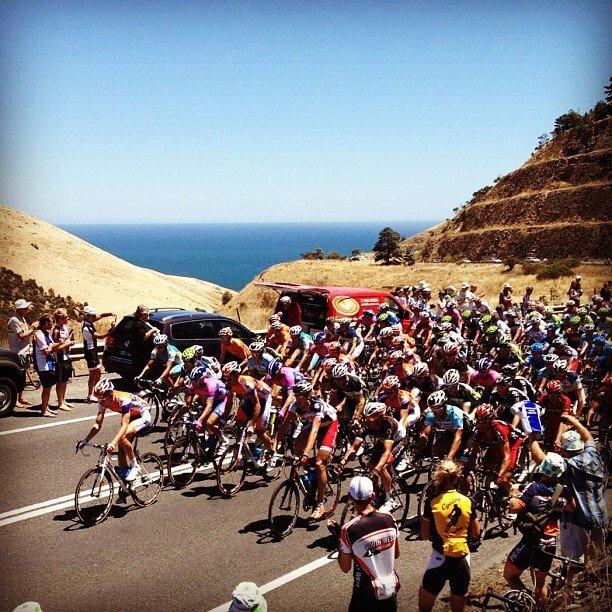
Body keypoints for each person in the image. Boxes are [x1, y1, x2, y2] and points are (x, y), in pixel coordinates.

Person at [504, 453, 574, 607]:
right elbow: (571, 507)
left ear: (542, 469)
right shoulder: (564, 490)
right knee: (540, 582)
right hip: (551, 541)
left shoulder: (534, 487)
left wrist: (513, 494)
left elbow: (516, 508)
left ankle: (526, 604)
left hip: (532, 541)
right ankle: (540, 607)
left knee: (509, 574)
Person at [419, 460, 480, 612]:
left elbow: (425, 535)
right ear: (457, 478)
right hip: (462, 558)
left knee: (424, 608)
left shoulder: (432, 502)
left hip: (439, 557)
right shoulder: (467, 501)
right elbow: (476, 533)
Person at [274, 381, 338, 519]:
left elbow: (315, 431)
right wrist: (272, 449)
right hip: (312, 425)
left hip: (328, 426)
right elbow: (284, 427)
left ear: (308, 396)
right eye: (296, 395)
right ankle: (312, 474)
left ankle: (320, 504)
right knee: (297, 446)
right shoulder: (295, 405)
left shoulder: (317, 405)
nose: (297, 398)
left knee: (320, 462)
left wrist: (306, 453)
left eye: (301, 396)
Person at [337, 475, 401, 611]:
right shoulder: (389, 518)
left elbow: (345, 567)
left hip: (364, 593)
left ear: (350, 496)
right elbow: (396, 554)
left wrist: (340, 535)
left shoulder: (349, 529)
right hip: (389, 588)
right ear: (373, 495)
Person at [77, 379, 151, 483]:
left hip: (142, 415)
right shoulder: (103, 401)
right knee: (121, 448)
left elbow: (125, 425)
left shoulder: (123, 399)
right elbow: (98, 424)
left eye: (102, 399)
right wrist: (85, 440)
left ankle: (135, 466)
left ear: (111, 394)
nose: (100, 402)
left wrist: (113, 443)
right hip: (130, 416)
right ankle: (126, 480)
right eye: (99, 399)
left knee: (122, 437)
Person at [7, 299, 38, 407]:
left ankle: (21, 397)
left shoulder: (22, 318)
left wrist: (32, 331)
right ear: (19, 309)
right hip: (18, 352)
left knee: (23, 374)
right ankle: (15, 399)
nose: (27, 310)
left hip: (25, 351)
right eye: (25, 308)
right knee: (17, 375)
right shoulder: (13, 320)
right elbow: (21, 336)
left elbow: (26, 332)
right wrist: (33, 328)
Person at [82, 306, 115, 402]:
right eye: (92, 316)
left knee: (99, 372)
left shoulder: (90, 321)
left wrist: (108, 314)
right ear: (87, 316)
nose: (94, 317)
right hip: (90, 351)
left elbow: (100, 316)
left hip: (93, 351)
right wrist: (111, 329)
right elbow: (100, 336)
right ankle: (90, 395)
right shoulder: (86, 328)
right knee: (93, 374)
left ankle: (96, 392)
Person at [32, 313, 60, 417]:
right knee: (46, 387)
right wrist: (53, 345)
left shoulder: (46, 333)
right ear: (46, 323)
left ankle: (46, 407)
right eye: (51, 322)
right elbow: (46, 351)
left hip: (48, 363)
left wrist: (60, 343)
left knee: (48, 387)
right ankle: (44, 411)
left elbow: (51, 346)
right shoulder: (39, 334)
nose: (52, 324)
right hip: (42, 364)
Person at [51, 308, 76, 411]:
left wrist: (69, 342)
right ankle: (60, 402)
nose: (68, 318)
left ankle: (63, 399)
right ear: (60, 318)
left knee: (65, 380)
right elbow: (55, 348)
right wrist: (68, 344)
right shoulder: (56, 331)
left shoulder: (64, 327)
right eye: (66, 317)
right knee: (60, 381)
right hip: (59, 359)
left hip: (66, 356)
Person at [130, 305, 159, 378]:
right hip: (141, 354)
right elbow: (143, 337)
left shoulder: (145, 323)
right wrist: (152, 331)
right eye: (147, 314)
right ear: (142, 314)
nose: (148, 315)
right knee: (141, 372)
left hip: (147, 353)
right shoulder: (138, 324)